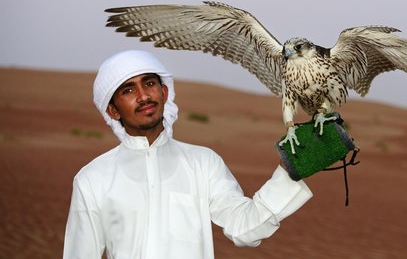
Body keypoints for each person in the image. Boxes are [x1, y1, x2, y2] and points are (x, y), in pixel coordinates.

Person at [63, 50, 313, 258]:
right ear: (113, 110)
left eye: (149, 83)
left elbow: (244, 227)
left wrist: (289, 170)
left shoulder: (203, 163)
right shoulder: (92, 179)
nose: (143, 96)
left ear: (164, 92)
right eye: (128, 90)